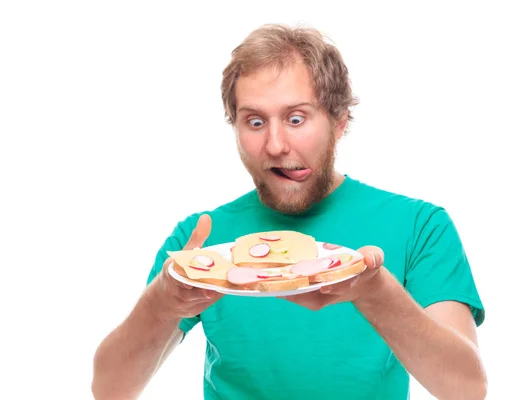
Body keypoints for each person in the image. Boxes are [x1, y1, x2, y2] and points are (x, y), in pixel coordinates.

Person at [92, 24, 487, 400]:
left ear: (338, 121)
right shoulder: (201, 242)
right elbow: (109, 389)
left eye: (296, 118)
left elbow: (467, 389)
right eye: (255, 121)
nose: (276, 144)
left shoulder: (419, 226)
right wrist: (163, 300)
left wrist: (376, 293)